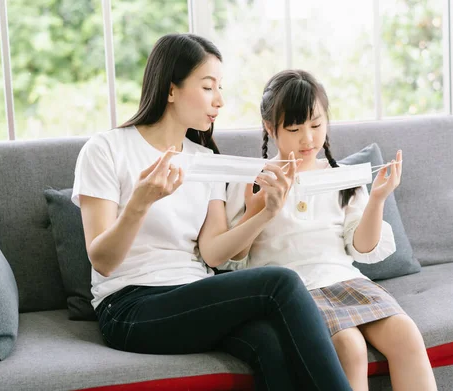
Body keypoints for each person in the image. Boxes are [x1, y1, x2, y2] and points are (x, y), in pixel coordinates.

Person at [71, 34, 352, 391]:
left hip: (194, 292)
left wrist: (265, 213)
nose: (219, 100)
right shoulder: (107, 149)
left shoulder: (205, 160)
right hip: (129, 306)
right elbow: (103, 261)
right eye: (208, 87)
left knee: (269, 341)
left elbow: (214, 251)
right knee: (280, 282)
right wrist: (139, 204)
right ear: (170, 89)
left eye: (220, 87)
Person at [224, 69, 437, 391]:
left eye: (316, 125)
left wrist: (378, 199)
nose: (308, 139)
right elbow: (233, 258)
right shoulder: (252, 180)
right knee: (350, 347)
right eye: (294, 128)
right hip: (294, 290)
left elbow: (363, 249)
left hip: (344, 279)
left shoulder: (343, 178)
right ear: (270, 127)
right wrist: (258, 211)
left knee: (406, 334)